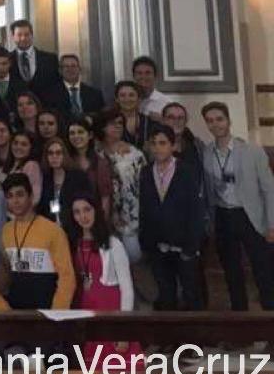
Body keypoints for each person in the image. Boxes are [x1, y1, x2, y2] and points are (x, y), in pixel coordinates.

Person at [200, 101, 274, 311]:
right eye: (210, 121)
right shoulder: (206, 152)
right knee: (231, 272)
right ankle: (240, 319)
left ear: (229, 120)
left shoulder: (252, 151)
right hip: (222, 215)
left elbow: (269, 189)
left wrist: (272, 224)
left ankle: (269, 318)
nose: (216, 124)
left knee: (263, 269)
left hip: (250, 215)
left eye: (219, 119)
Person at [65, 193, 140, 359]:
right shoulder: (73, 244)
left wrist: (123, 331)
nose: (83, 216)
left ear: (96, 210)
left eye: (87, 210)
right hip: (86, 312)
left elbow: (127, 289)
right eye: (77, 212)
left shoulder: (113, 244)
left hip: (110, 311)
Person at [139, 124, 206, 311]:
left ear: (172, 145)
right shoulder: (146, 172)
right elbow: (144, 209)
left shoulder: (186, 170)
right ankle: (170, 330)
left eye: (162, 143)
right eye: (153, 143)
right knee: (166, 294)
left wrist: (191, 247)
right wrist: (146, 243)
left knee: (191, 294)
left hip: (184, 245)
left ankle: (197, 330)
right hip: (158, 246)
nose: (157, 148)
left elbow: (195, 211)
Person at [0, 172, 74, 310]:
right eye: (10, 196)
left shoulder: (53, 230)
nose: (15, 201)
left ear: (30, 196)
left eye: (20, 194)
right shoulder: (6, 231)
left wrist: (57, 312)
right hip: (15, 311)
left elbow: (67, 277)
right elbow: (6, 270)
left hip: (46, 311)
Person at [99, 112, 147, 262]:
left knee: (133, 256)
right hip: (104, 216)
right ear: (103, 127)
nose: (117, 126)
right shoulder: (96, 153)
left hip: (130, 218)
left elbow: (145, 186)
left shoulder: (135, 154)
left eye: (120, 123)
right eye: (112, 123)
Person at [67, 117, 113, 224]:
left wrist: (102, 222)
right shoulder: (67, 162)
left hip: (94, 218)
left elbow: (105, 198)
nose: (76, 136)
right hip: (71, 218)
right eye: (72, 133)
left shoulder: (100, 163)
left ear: (90, 135)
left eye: (80, 132)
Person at [37, 137, 93, 223]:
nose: (54, 157)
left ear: (64, 155)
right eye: (50, 153)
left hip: (74, 224)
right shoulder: (45, 178)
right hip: (51, 225)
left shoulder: (78, 177)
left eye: (58, 153)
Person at [8, 19, 60, 97]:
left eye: (26, 34)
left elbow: (56, 84)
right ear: (13, 36)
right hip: (17, 102)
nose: (23, 38)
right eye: (19, 35)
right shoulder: (7, 60)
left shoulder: (50, 59)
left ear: (32, 35)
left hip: (46, 102)